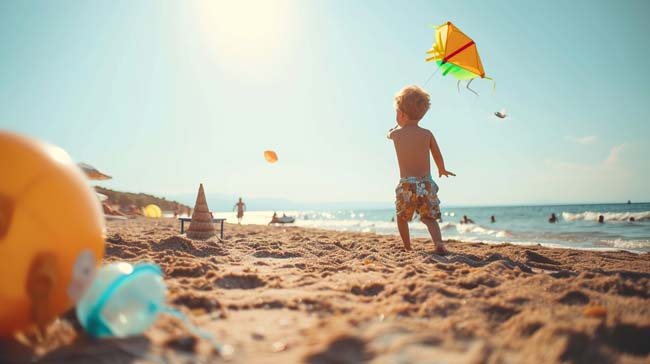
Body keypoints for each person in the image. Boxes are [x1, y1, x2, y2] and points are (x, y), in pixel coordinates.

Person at [388, 85, 455, 253]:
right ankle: (438, 243)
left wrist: (393, 130)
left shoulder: (396, 134)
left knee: (402, 217)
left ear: (402, 114)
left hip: (407, 184)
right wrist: (442, 169)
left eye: (397, 112)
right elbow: (437, 155)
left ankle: (408, 247)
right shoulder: (427, 134)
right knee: (429, 217)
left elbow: (388, 134)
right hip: (426, 183)